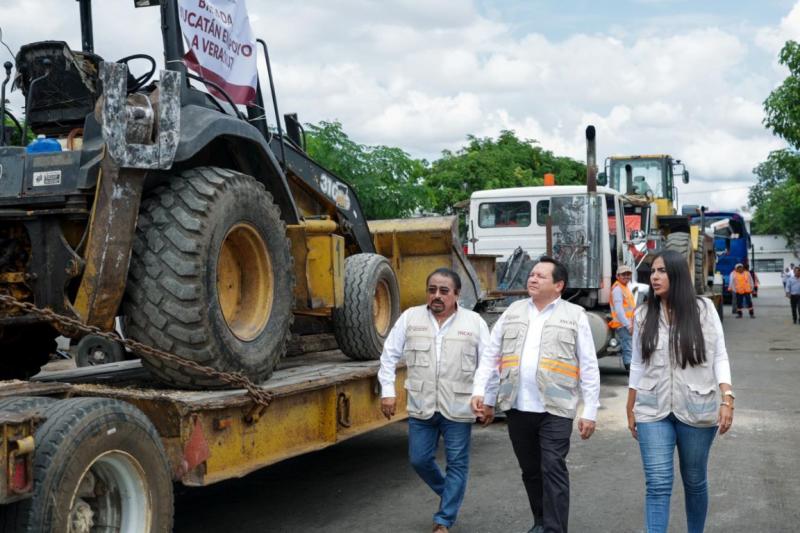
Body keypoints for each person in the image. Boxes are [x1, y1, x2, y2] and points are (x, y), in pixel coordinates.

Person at [472, 256, 600, 533]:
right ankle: (541, 521)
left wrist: (589, 410)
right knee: (531, 470)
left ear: (558, 285)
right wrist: (485, 395)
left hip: (556, 407)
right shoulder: (513, 312)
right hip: (517, 406)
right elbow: (493, 356)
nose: (532, 278)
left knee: (552, 467)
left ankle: (555, 530)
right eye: (532, 274)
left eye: (541, 276)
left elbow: (588, 365)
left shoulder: (574, 315)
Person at [378, 267, 494, 533]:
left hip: (458, 406)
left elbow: (488, 365)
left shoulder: (473, 323)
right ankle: (450, 492)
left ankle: (444, 519)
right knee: (419, 459)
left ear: (457, 294)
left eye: (444, 291)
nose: (437, 296)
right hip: (422, 405)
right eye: (432, 290)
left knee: (457, 463)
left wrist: (488, 400)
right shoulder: (410, 318)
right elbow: (389, 356)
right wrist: (387, 392)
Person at [626, 250, 734, 533]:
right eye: (652, 271)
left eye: (662, 270)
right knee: (658, 483)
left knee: (695, 480)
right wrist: (630, 404)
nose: (655, 276)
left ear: (677, 275)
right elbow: (637, 363)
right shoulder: (642, 314)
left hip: (697, 407)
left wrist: (727, 398)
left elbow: (719, 355)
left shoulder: (704, 310)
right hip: (652, 409)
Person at [610, 264, 635, 372]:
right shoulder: (617, 289)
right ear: (617, 276)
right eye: (623, 274)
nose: (626, 276)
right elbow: (619, 311)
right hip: (623, 324)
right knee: (628, 349)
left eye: (628, 274)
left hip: (627, 324)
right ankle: (630, 376)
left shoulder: (624, 288)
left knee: (629, 348)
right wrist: (628, 325)